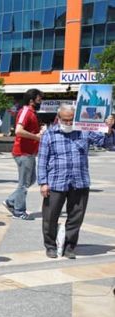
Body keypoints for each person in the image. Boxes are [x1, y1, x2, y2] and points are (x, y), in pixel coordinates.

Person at [38, 104, 110, 259]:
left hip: (80, 181)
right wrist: (43, 183)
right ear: (58, 118)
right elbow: (42, 161)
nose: (69, 123)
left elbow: (105, 142)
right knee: (50, 216)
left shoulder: (84, 131)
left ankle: (70, 246)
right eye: (65, 120)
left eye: (71, 120)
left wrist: (108, 128)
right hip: (55, 182)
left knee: (76, 217)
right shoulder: (49, 134)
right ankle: (50, 246)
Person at [3, 89, 44, 220]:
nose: (40, 102)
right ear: (31, 100)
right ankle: (19, 210)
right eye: (39, 99)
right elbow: (19, 131)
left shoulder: (32, 112)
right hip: (23, 152)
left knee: (30, 180)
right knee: (24, 183)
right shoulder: (26, 111)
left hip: (29, 152)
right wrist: (36, 137)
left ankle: (11, 201)